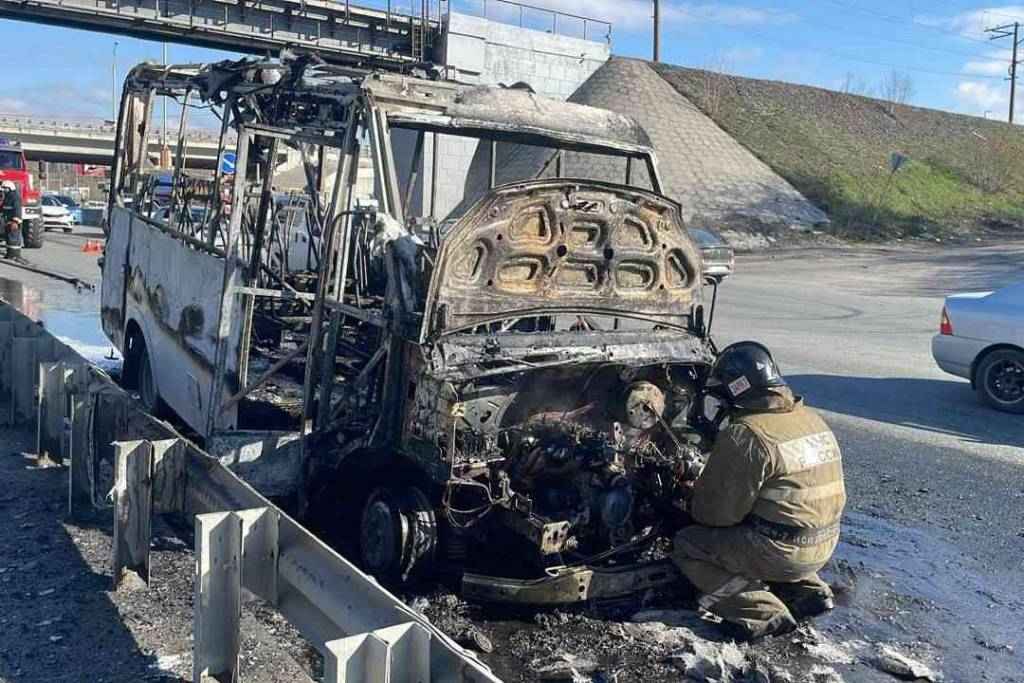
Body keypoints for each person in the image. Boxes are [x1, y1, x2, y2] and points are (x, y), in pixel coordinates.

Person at [673, 341, 846, 641]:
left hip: (780, 553)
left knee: (688, 544)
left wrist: (691, 494)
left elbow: (715, 516)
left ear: (736, 391)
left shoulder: (748, 434)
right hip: (824, 545)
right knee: (783, 522)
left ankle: (760, 613)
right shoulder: (812, 419)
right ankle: (811, 591)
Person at [1, 180, 22, 258]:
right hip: (8, 221)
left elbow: (17, 209)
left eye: (5, 188)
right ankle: (9, 254)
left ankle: (14, 254)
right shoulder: (7, 196)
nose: (4, 190)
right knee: (9, 238)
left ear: (10, 188)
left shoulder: (15, 197)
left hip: (13, 222)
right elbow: (4, 207)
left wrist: (15, 221)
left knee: (14, 238)